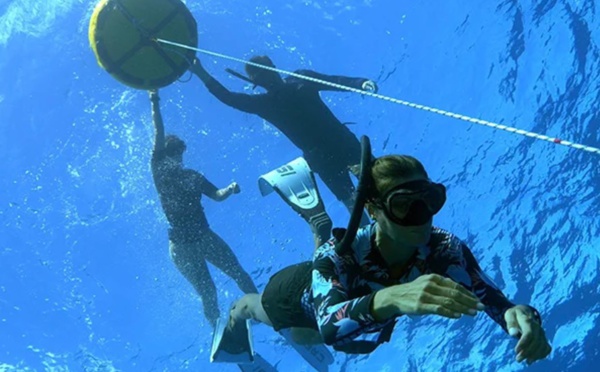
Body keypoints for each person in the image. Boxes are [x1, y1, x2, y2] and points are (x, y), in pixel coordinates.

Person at [213, 151, 552, 365]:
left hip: (344, 288)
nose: (422, 216)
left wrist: (519, 314)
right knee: (270, 315)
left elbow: (493, 298)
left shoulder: (444, 248)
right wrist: (389, 297)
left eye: (430, 200)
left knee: (326, 326)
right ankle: (236, 319)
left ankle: (320, 223)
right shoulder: (336, 258)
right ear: (374, 210)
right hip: (290, 295)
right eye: (405, 205)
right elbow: (329, 326)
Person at [190, 55, 378, 225]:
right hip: (322, 157)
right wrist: (201, 72)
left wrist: (361, 83)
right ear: (256, 82)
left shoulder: (301, 79)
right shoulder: (265, 103)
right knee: (351, 201)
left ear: (273, 66)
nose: (266, 77)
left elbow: (334, 81)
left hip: (342, 143)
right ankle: (371, 243)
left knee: (377, 183)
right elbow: (229, 98)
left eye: (265, 70)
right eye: (260, 75)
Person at [149, 90, 258, 328]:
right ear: (165, 155)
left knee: (238, 272)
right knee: (209, 292)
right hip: (181, 247)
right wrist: (154, 101)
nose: (177, 158)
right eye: (173, 153)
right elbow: (158, 131)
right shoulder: (159, 170)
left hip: (204, 236)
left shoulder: (194, 176)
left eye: (179, 154)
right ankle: (220, 334)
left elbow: (217, 196)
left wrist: (229, 189)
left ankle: (261, 308)